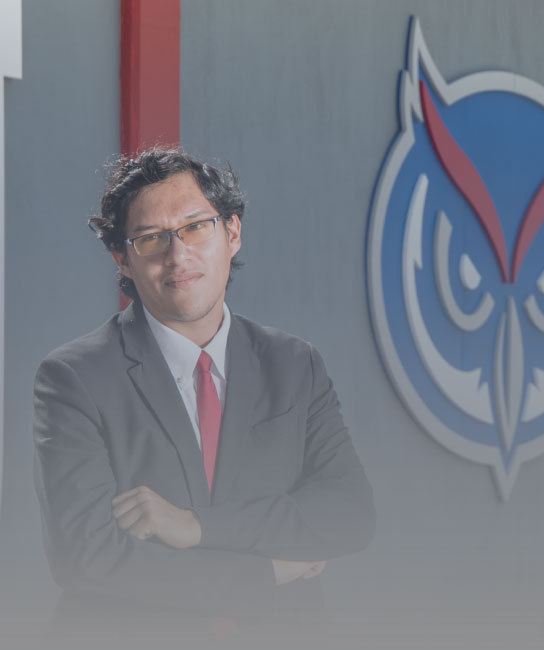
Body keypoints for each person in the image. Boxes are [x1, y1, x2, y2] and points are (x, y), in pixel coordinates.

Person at [32, 149, 375, 642]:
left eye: (195, 227)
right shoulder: (74, 377)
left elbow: (350, 514)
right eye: (151, 238)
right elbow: (87, 557)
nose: (177, 255)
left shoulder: (294, 364)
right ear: (122, 259)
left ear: (232, 233)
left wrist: (196, 527)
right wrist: (267, 573)